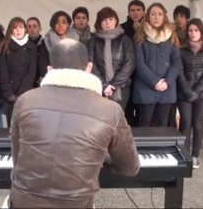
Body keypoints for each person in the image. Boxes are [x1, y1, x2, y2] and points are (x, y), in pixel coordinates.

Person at [9, 38, 140, 208]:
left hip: (22, 203)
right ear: (89, 68)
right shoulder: (111, 110)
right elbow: (130, 168)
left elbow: (17, 158)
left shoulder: (24, 100)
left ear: (49, 69)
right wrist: (98, 156)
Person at [133, 2, 181, 127]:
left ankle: (161, 148)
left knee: (162, 125)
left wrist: (167, 81)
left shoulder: (172, 36)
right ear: (147, 16)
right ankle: (143, 148)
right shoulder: (140, 36)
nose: (156, 17)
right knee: (144, 124)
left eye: (160, 14)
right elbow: (139, 63)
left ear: (164, 16)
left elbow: (176, 62)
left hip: (167, 88)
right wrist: (155, 82)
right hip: (146, 87)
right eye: (153, 14)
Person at [177, 18, 203, 169]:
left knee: (198, 124)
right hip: (184, 93)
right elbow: (179, 72)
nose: (193, 33)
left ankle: (194, 156)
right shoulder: (181, 48)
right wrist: (188, 91)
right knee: (185, 123)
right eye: (190, 30)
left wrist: (197, 91)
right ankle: (184, 155)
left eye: (196, 30)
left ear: (201, 32)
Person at [87, 7, 135, 110]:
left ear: (116, 20)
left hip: (121, 88)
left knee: (118, 118)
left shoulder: (125, 40)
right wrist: (104, 86)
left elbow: (129, 64)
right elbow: (91, 64)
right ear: (99, 22)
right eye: (103, 20)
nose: (107, 23)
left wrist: (113, 85)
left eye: (110, 19)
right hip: (98, 87)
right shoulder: (92, 41)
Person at [0, 17, 37, 128]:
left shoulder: (32, 47)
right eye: (15, 28)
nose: (18, 30)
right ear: (11, 30)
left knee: (25, 126)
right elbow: (3, 71)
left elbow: (31, 72)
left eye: (21, 27)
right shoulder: (4, 46)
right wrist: (9, 94)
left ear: (25, 29)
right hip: (9, 94)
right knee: (10, 128)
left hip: (25, 93)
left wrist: (22, 93)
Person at [120, 0, 145, 127]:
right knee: (128, 108)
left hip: (144, 75)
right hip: (128, 75)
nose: (135, 13)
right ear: (129, 13)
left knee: (142, 109)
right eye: (132, 10)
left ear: (144, 12)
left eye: (138, 10)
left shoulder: (149, 28)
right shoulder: (122, 29)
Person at [38, 10, 80, 80]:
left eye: (64, 22)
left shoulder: (76, 40)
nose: (60, 25)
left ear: (68, 25)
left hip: (72, 79)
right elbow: (42, 65)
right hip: (52, 80)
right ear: (53, 24)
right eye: (57, 22)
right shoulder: (45, 41)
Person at [169, 5, 191, 129]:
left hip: (186, 75)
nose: (178, 19)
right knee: (171, 111)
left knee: (185, 113)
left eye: (181, 16)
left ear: (187, 18)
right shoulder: (170, 33)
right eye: (176, 16)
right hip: (172, 75)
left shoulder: (191, 33)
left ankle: (183, 137)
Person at [26, 17, 45, 87]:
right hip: (26, 84)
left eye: (34, 26)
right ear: (26, 30)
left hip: (42, 84)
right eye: (29, 27)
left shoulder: (46, 44)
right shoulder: (23, 45)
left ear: (40, 29)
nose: (32, 29)